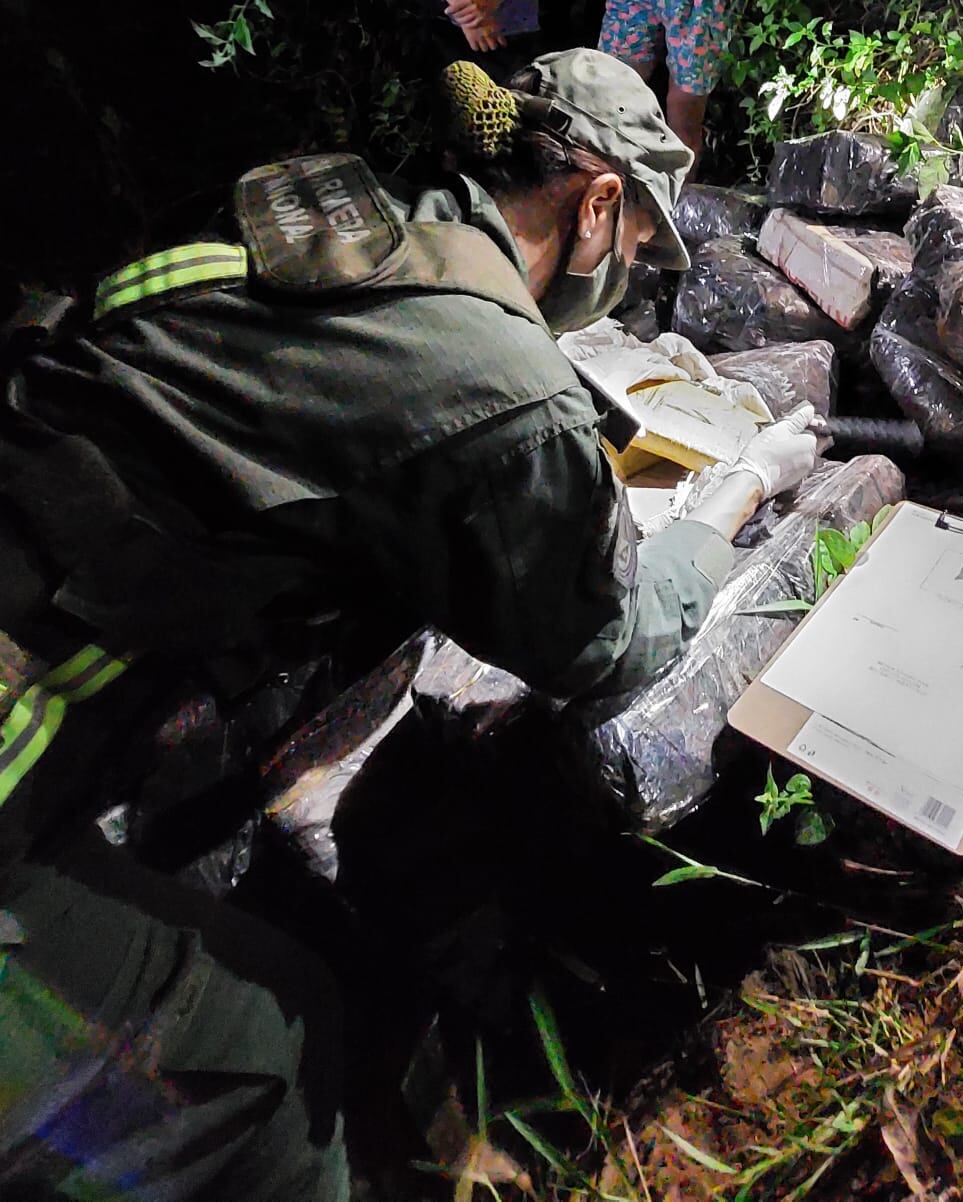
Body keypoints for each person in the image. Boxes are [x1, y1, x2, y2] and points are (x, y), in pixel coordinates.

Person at [0, 49, 818, 1199]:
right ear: (592, 208)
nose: (624, 280)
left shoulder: (347, 220)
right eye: (633, 252)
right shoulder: (501, 381)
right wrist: (731, 498)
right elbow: (608, 645)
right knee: (266, 1059)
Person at [598, 0, 733, 164]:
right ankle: (609, 181)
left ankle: (680, 187)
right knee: (607, 97)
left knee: (683, 122)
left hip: (699, 6)